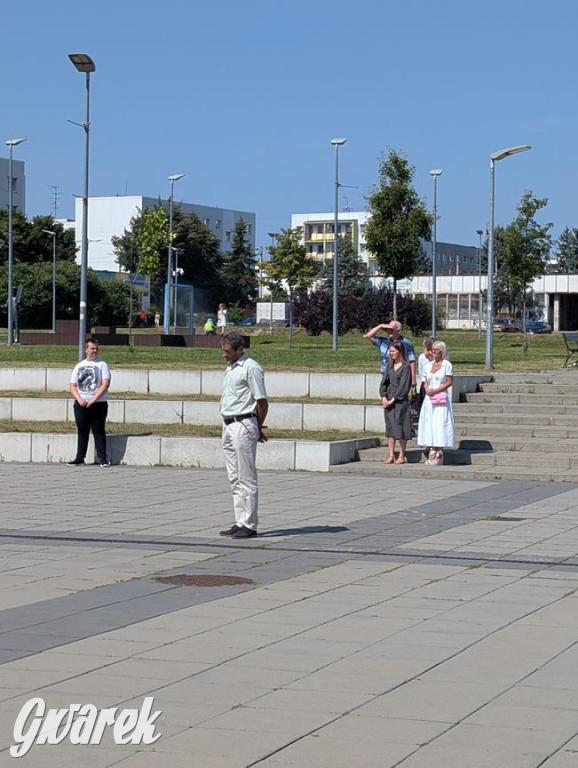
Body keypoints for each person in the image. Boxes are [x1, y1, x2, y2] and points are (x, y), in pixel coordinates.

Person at [219, 333, 268, 539]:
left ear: (240, 350)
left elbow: (262, 401)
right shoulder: (231, 367)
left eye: (228, 351)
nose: (224, 355)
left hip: (243, 423)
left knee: (246, 475)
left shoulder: (251, 367)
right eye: (223, 351)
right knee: (234, 476)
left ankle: (250, 523)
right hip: (228, 423)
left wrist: (258, 426)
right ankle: (240, 520)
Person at [67, 337, 111, 467]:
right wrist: (80, 399)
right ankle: (80, 457)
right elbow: (73, 385)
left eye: (96, 348)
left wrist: (93, 399)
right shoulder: (79, 366)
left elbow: (105, 384)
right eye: (92, 348)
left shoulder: (102, 365)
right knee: (82, 430)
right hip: (81, 404)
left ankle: (102, 458)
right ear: (86, 349)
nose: (95, 351)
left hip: (98, 404)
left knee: (98, 430)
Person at [417, 340, 455, 465]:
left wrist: (437, 389)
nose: (433, 352)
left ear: (442, 352)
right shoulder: (428, 365)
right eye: (432, 350)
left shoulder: (447, 365)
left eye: (436, 350)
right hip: (429, 398)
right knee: (430, 422)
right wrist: (427, 388)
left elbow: (449, 382)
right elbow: (425, 379)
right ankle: (431, 448)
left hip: (441, 398)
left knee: (440, 423)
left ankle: (439, 451)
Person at [379, 341, 412, 464]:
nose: (391, 353)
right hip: (389, 398)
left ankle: (401, 455)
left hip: (400, 401)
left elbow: (404, 386)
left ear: (400, 351)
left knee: (401, 426)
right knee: (390, 427)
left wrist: (393, 399)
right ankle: (391, 454)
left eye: (393, 351)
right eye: (390, 351)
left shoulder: (405, 367)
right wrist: (384, 397)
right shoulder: (390, 366)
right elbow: (384, 383)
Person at [364, 319, 417, 393]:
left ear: (398, 330)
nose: (389, 331)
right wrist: (381, 326)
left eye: (391, 329)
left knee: (399, 397)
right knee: (385, 396)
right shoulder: (384, 341)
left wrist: (413, 379)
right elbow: (368, 336)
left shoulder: (406, 343)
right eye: (387, 329)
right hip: (386, 375)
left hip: (400, 375)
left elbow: (412, 361)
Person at [417, 336, 436, 412]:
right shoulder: (422, 357)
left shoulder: (439, 357)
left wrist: (430, 358)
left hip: (435, 384)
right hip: (425, 383)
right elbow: (421, 371)